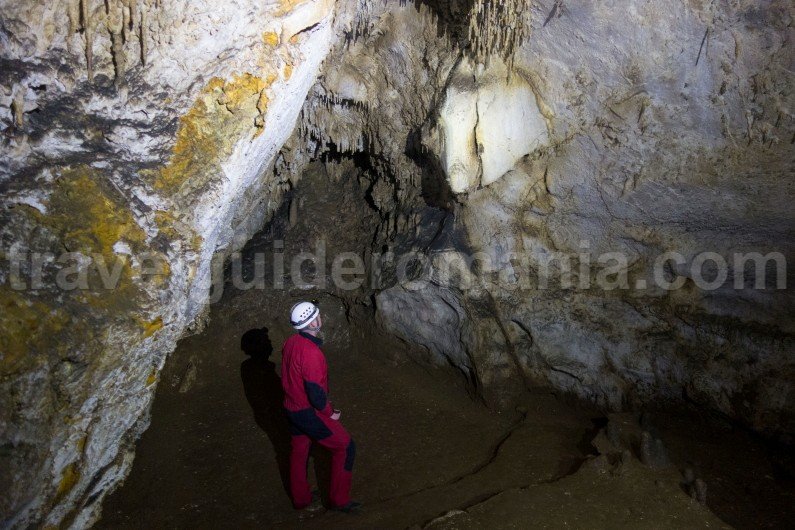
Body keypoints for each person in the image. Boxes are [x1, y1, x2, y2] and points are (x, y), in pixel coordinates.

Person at [281, 301, 360, 513]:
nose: (321, 317)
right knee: (345, 447)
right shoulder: (311, 354)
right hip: (308, 412)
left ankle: (301, 499)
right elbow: (316, 395)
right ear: (314, 322)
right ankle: (340, 500)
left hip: (291, 407)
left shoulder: (290, 342)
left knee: (299, 451)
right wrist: (330, 413)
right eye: (318, 315)